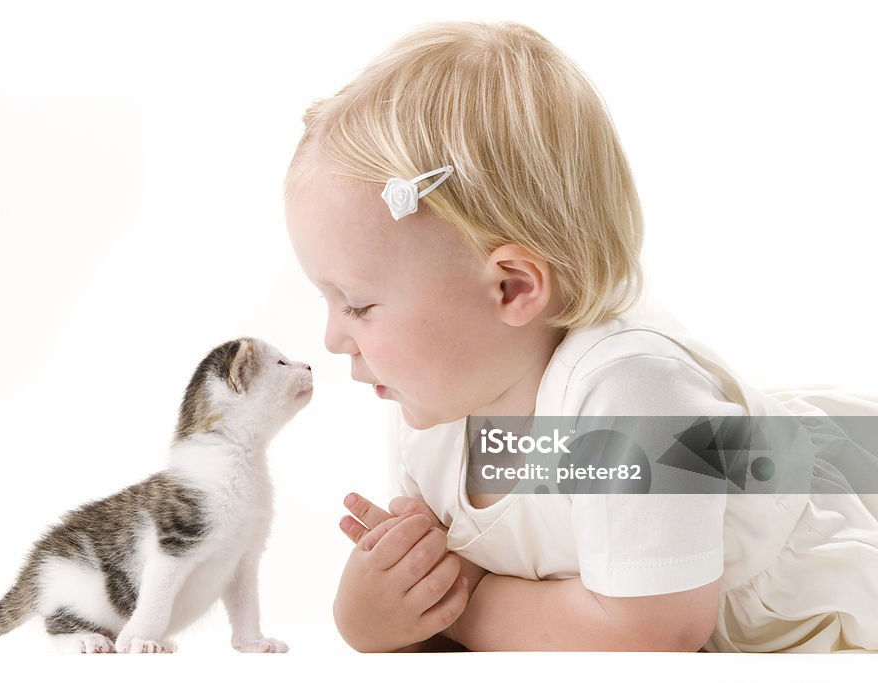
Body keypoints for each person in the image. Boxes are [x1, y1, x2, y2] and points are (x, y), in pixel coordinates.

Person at [283, 20, 878, 652]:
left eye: (358, 305)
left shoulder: (632, 392)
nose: (331, 339)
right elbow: (492, 617)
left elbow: (648, 636)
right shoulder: (436, 410)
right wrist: (381, 610)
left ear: (511, 288)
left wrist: (462, 600)